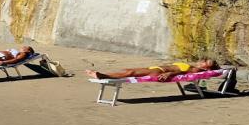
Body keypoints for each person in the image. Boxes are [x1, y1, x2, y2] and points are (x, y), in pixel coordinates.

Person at [85, 58, 217, 82]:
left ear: (207, 68)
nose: (203, 61)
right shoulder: (192, 65)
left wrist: (170, 73)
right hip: (156, 68)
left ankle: (104, 76)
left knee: (130, 73)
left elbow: (182, 73)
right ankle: (104, 75)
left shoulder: (195, 70)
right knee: (129, 70)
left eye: (206, 62)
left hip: (159, 72)